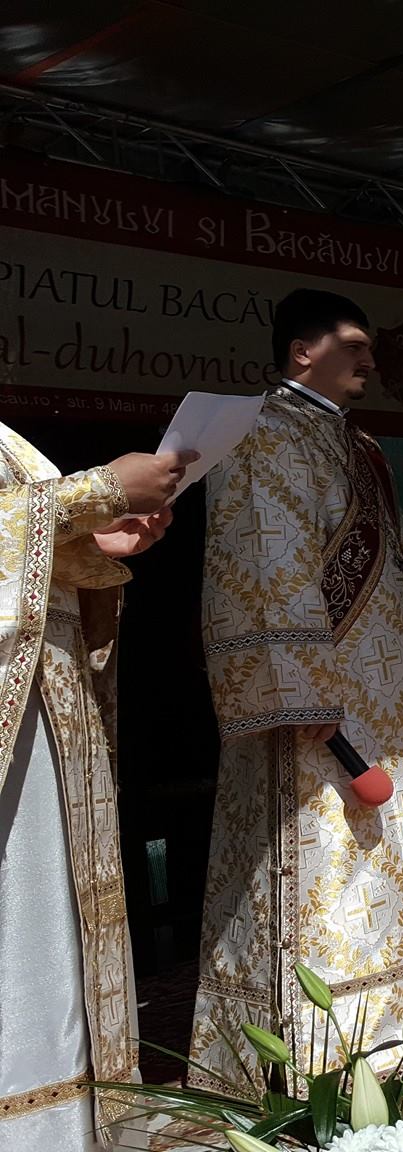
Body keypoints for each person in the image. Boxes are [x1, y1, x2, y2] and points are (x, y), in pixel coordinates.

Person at [193, 289, 403, 1087]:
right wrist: (304, 700)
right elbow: (261, 571)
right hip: (324, 698)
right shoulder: (257, 434)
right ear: (302, 351)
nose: (371, 362)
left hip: (397, 684)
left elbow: (401, 556)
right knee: (333, 854)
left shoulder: (354, 442)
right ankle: (338, 1042)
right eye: (355, 346)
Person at [0, 438, 188, 1149]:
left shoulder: (11, 445)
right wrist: (92, 495)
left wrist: (92, 540)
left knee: (45, 921)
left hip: (43, 714)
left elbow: (27, 540)